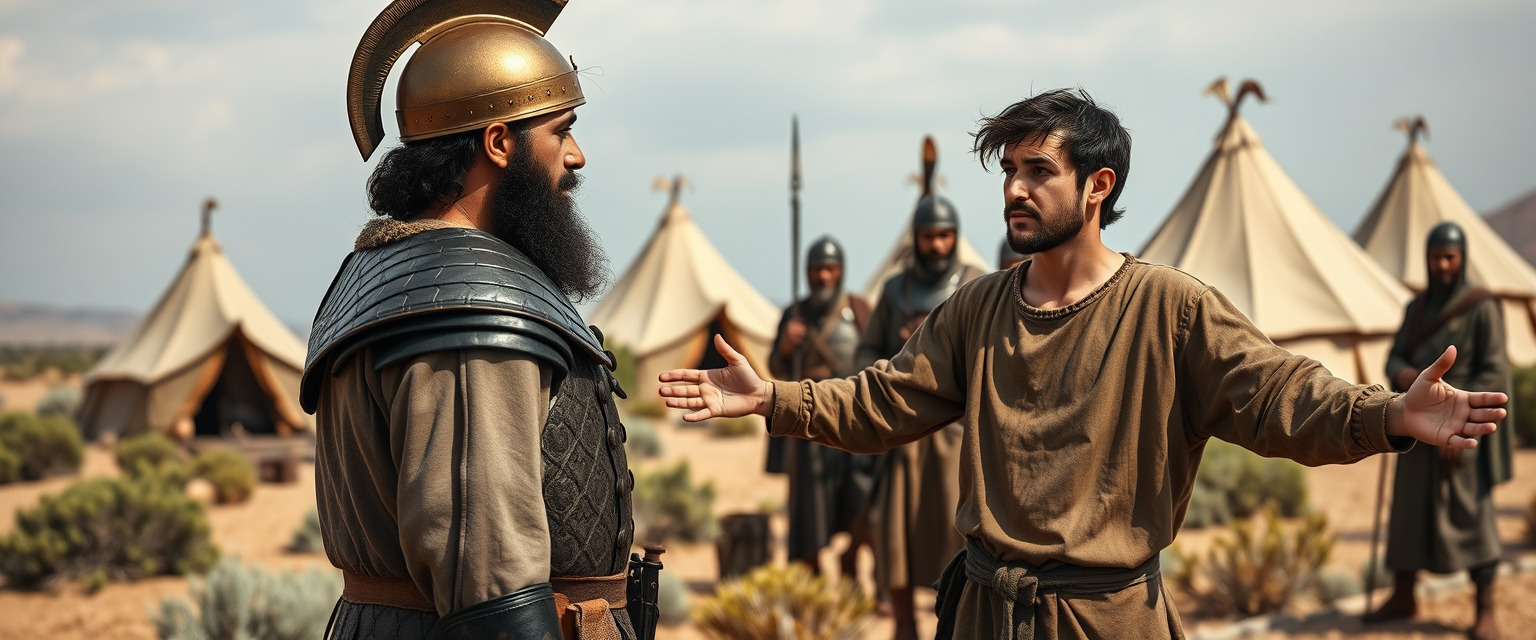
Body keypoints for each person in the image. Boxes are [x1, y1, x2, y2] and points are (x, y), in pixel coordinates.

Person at [657, 89, 1507, 640]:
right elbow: (883, 401)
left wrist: (1388, 415)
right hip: (986, 614)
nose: (1014, 191)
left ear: (1098, 186)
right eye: (1009, 173)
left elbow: (1281, 394)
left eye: (1038, 171)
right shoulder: (979, 308)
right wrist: (772, 398)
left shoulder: (1170, 308)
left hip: (1107, 619)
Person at [300, 1, 640, 638]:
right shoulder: (470, 309)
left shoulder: (389, 271)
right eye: (561, 131)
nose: (578, 156)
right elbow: (491, 583)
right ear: (499, 142)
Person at [1364, 222, 1514, 640]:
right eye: (1436, 257)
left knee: (1470, 515)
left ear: (1462, 258)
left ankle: (1485, 610)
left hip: (1462, 428)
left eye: (1450, 257)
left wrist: (1469, 423)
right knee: (1408, 512)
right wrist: (1409, 375)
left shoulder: (1482, 307)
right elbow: (1393, 356)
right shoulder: (1416, 309)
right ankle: (1403, 595)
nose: (1443, 265)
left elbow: (1495, 369)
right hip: (1417, 425)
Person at [857, 190, 980, 639]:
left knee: (955, 541)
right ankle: (904, 627)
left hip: (955, 439)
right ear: (916, 238)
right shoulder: (895, 290)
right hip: (903, 437)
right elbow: (866, 353)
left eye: (945, 236)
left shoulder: (976, 286)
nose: (938, 245)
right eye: (929, 236)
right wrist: (903, 350)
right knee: (898, 541)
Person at [766, 236, 876, 577]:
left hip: (853, 418)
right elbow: (776, 369)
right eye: (817, 269)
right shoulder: (793, 313)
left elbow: (878, 357)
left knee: (865, 498)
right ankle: (812, 573)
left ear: (840, 271)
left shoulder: (858, 311)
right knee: (810, 508)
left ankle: (852, 558)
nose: (823, 277)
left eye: (830, 269)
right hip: (810, 425)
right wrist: (785, 345)